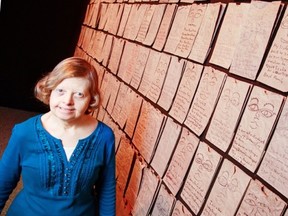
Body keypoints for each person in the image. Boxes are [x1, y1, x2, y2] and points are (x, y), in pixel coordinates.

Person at [0, 57, 116, 216]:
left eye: (79, 94)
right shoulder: (24, 132)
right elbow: (3, 183)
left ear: (91, 99)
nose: (67, 101)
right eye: (61, 90)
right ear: (50, 90)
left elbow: (106, 190)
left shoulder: (104, 136)